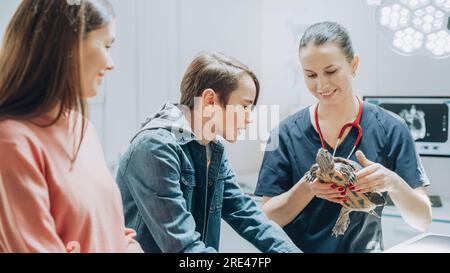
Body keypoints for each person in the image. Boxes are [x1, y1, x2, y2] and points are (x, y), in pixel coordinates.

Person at [255, 21, 432, 253]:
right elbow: (266, 219)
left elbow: (422, 220)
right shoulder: (286, 133)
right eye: (310, 75)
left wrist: (393, 183)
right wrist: (309, 187)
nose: (321, 84)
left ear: (354, 64)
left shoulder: (391, 128)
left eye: (331, 71)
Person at [116, 52, 301, 253]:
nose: (249, 119)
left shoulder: (212, 148)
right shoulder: (155, 147)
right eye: (245, 106)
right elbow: (183, 245)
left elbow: (247, 215)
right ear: (210, 100)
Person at [0, 0, 142, 253]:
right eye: (106, 45)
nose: (111, 63)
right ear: (66, 47)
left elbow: (115, 234)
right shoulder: (11, 142)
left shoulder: (82, 128)